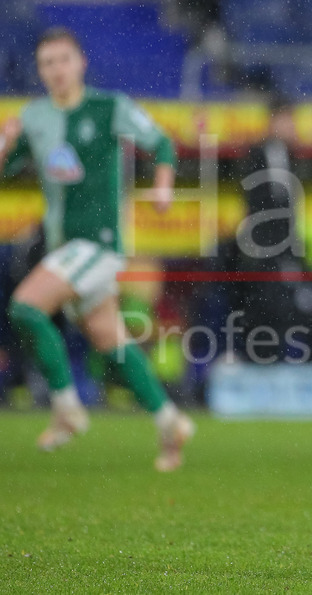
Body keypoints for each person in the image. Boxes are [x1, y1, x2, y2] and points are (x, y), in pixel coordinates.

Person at [0, 27, 195, 471]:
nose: (56, 69)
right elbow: (5, 169)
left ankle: (66, 407)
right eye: (47, 62)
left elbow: (161, 143)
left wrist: (162, 189)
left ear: (81, 62)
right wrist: (7, 142)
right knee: (112, 341)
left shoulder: (110, 108)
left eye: (63, 59)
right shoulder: (34, 117)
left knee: (26, 307)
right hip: (65, 247)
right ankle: (171, 422)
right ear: (39, 69)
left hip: (100, 243)